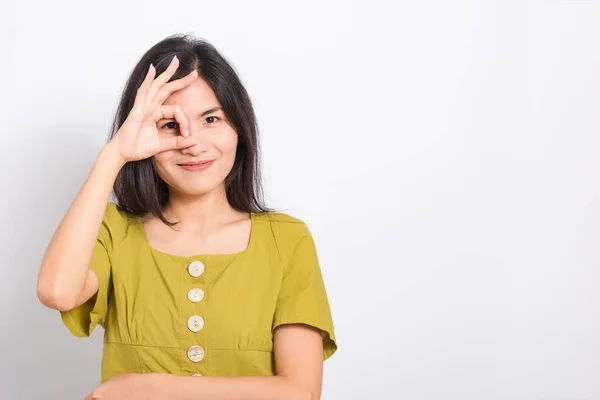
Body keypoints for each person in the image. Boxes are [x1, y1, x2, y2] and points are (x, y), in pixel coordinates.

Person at [36, 33, 337, 400]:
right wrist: (114, 154)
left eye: (211, 119)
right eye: (169, 125)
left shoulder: (287, 241)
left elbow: (300, 392)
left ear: (238, 129)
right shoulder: (115, 230)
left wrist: (150, 387)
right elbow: (56, 291)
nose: (191, 141)